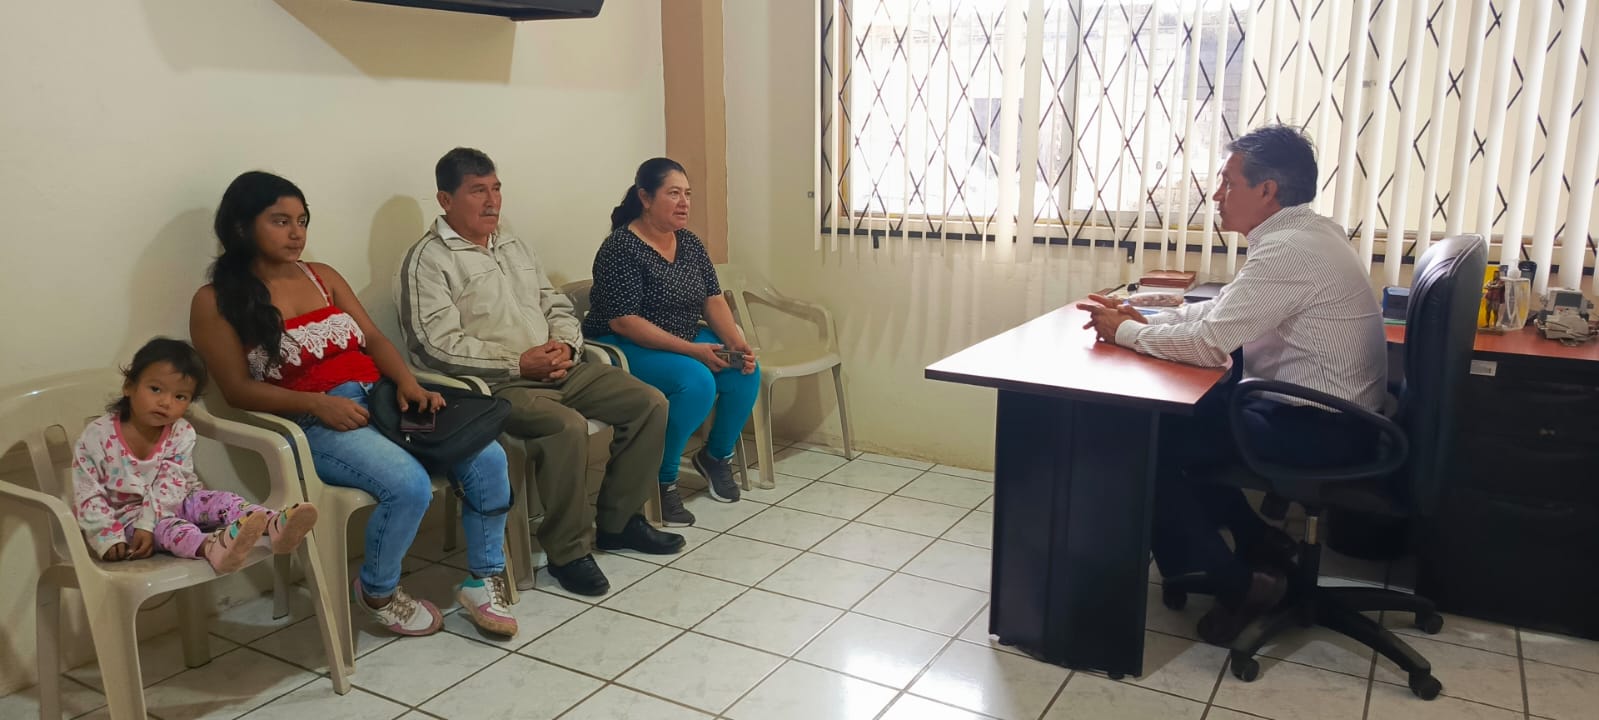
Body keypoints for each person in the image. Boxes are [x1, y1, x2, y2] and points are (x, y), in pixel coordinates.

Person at [1077, 125, 1387, 644]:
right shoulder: (1309, 233)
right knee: (1172, 427)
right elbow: (1221, 313)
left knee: (1141, 443)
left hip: (1321, 427)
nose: (1216, 195)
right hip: (1333, 416)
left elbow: (1209, 344)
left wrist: (1124, 332)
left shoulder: (1290, 250)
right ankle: (1260, 541)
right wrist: (1143, 320)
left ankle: (1239, 585)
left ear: (1267, 190)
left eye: (1228, 183)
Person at [190, 171, 517, 639]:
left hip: (383, 400)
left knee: (488, 457)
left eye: (302, 221)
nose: (296, 233)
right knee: (409, 485)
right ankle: (378, 591)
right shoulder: (215, 301)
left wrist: (408, 383)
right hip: (313, 422)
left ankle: (483, 580)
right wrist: (317, 404)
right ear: (242, 226)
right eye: (280, 221)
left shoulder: (321, 276)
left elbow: (375, 339)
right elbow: (237, 391)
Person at [396, 148, 684, 598]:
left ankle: (619, 522)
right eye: (477, 191)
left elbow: (555, 304)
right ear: (445, 200)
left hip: (559, 366)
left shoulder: (512, 244)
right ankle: (568, 551)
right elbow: (433, 345)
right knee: (564, 426)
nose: (492, 201)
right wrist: (518, 362)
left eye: (496, 189)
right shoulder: (429, 260)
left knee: (649, 402)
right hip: (496, 385)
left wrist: (565, 345)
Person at [583, 157, 761, 526]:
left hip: (683, 334)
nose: (684, 203)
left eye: (688, 194)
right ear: (645, 198)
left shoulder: (689, 242)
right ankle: (661, 481)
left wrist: (736, 342)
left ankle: (716, 457)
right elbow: (625, 321)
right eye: (674, 194)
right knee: (696, 382)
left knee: (744, 370)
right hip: (624, 345)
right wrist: (694, 351)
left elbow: (712, 299)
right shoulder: (621, 247)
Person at [72, 337, 318, 573]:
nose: (166, 402)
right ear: (129, 386)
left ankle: (274, 524)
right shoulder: (97, 436)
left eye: (180, 396)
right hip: (129, 519)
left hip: (180, 499)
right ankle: (211, 547)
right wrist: (108, 537)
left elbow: (170, 484)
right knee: (171, 529)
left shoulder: (181, 431)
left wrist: (150, 521)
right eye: (155, 389)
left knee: (224, 500)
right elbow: (87, 492)